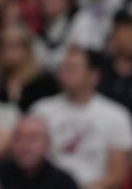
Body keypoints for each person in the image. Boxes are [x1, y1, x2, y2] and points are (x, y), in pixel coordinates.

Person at [31, 47, 132, 188]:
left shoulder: (115, 115)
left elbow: (117, 174)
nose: (64, 73)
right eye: (63, 67)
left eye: (73, 68)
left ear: (94, 76)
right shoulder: (41, 110)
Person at [0, 116, 78, 189]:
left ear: (47, 143)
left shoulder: (63, 183)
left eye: (33, 138)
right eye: (18, 138)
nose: (25, 145)